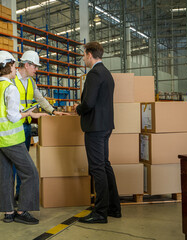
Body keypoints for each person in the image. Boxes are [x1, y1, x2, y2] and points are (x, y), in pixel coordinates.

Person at [0, 50, 48, 225]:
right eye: (14, 65)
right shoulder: (11, 88)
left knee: (5, 175)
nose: (16, 67)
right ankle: (22, 211)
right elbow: (13, 117)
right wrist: (30, 114)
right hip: (12, 140)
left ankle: (8, 212)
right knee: (30, 173)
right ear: (10, 66)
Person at [73, 42, 121, 224]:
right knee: (105, 165)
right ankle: (113, 208)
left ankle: (100, 212)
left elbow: (89, 103)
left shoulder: (93, 74)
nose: (83, 59)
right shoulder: (107, 73)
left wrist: (78, 108)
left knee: (97, 168)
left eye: (84, 55)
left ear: (89, 54)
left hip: (94, 127)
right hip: (106, 126)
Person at [12, 50, 69, 204]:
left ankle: (19, 194)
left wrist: (53, 111)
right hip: (12, 127)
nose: (37, 69)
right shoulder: (12, 81)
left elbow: (40, 99)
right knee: (13, 164)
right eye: (35, 66)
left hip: (25, 126)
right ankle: (9, 196)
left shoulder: (31, 82)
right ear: (26, 65)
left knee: (23, 163)